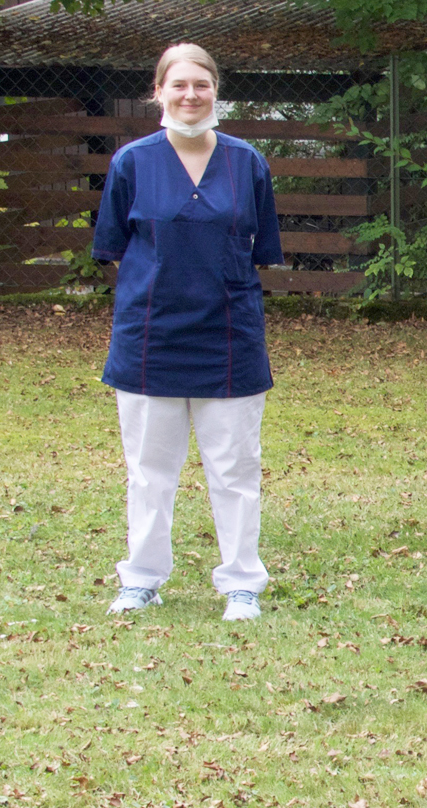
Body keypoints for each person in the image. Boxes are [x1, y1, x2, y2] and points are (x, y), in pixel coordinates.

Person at [93, 43, 284, 622]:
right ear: (158, 92)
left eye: (201, 84)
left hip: (229, 337)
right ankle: (142, 579)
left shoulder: (247, 163)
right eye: (178, 85)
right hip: (149, 338)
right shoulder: (132, 162)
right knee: (149, 471)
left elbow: (262, 250)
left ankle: (241, 583)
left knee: (235, 468)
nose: (190, 95)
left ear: (215, 91)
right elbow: (113, 249)